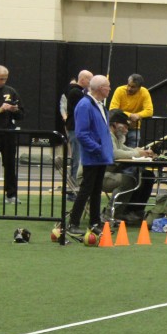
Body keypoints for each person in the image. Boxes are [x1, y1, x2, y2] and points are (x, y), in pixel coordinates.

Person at [68, 75, 113, 236]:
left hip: (100, 155)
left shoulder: (99, 104)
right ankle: (73, 223)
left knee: (95, 190)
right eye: (107, 86)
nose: (109, 89)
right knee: (86, 190)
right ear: (100, 88)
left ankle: (95, 222)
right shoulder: (85, 105)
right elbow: (81, 134)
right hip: (93, 156)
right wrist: (97, 149)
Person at [105, 109, 156, 223]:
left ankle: (133, 210)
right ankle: (110, 214)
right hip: (95, 174)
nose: (127, 130)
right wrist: (138, 153)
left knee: (145, 175)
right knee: (128, 181)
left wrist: (140, 151)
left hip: (107, 171)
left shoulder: (114, 136)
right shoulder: (108, 135)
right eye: (125, 126)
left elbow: (125, 149)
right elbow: (115, 154)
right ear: (115, 124)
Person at [0, 65, 25, 204]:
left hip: (8, 134)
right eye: (0, 79)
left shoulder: (11, 91)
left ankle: (11, 195)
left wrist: (15, 110)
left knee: (10, 165)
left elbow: (21, 114)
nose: (3, 81)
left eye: (5, 78)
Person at [63, 70, 93, 189]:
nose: (91, 82)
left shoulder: (78, 92)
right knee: (77, 158)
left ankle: (76, 186)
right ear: (83, 79)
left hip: (77, 128)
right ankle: (73, 188)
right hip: (75, 129)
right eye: (89, 80)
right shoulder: (76, 92)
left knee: (78, 158)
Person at [109, 73, 154, 147]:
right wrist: (131, 115)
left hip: (134, 128)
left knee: (133, 150)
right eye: (128, 85)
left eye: (133, 87)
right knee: (116, 148)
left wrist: (138, 115)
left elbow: (150, 111)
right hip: (119, 127)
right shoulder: (119, 90)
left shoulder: (144, 92)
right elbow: (113, 109)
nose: (129, 88)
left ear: (139, 88)